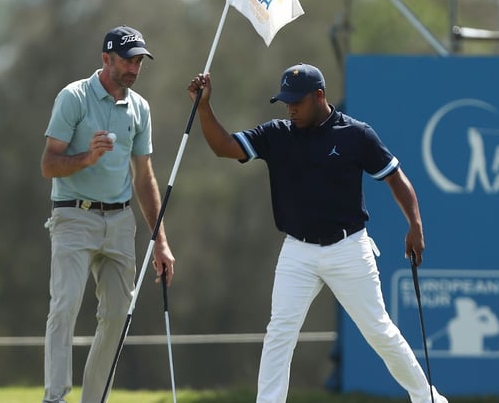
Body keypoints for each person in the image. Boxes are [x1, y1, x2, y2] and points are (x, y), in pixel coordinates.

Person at [186, 63, 447, 403]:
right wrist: (204, 105)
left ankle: (429, 399)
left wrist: (415, 225)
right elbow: (224, 146)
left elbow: (395, 177)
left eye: (297, 101)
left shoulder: (355, 134)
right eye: (285, 101)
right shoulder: (277, 134)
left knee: (379, 331)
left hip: (349, 247)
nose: (290, 108)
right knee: (279, 333)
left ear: (319, 96)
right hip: (298, 251)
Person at [40, 25, 175, 403]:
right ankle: (55, 398)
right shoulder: (74, 97)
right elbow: (49, 164)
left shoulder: (140, 108)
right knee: (64, 307)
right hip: (73, 217)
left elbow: (144, 177)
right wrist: (87, 157)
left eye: (139, 62)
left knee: (117, 317)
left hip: (119, 223)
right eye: (128, 61)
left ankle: (94, 400)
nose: (134, 68)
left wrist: (160, 242)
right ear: (106, 59)